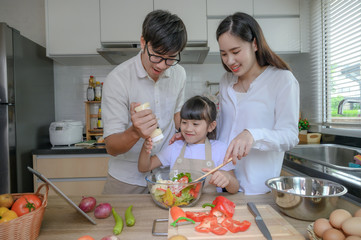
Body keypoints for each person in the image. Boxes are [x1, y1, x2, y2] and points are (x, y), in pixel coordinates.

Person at [101, 10, 187, 194]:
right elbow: (112, 147)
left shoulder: (179, 74)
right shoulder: (118, 79)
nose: (162, 65)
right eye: (156, 55)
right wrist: (135, 132)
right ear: (143, 42)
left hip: (167, 176)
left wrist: (193, 132)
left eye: (171, 58)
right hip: (126, 180)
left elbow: (177, 117)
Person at [215, 12, 300, 195]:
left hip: (258, 189)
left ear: (254, 44)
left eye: (235, 52)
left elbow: (290, 136)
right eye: (224, 54)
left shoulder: (282, 80)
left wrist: (253, 135)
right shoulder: (226, 81)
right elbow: (223, 129)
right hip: (224, 183)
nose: (230, 61)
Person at [138, 95, 240, 194]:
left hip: (208, 208)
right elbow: (144, 167)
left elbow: (235, 188)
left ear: (211, 126)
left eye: (195, 124)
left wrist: (228, 179)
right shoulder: (175, 147)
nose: (188, 129)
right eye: (184, 122)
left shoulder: (219, 149)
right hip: (177, 206)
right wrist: (146, 148)